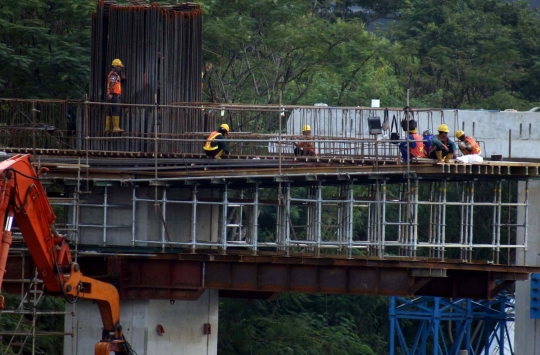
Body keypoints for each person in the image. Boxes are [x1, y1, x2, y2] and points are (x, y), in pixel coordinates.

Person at [105, 59, 126, 133]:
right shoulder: (114, 74)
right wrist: (110, 93)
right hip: (114, 95)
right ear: (115, 66)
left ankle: (107, 128)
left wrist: (121, 79)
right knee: (115, 110)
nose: (120, 68)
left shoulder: (114, 74)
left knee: (110, 111)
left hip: (113, 94)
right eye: (119, 67)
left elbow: (115, 83)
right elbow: (111, 83)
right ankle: (115, 127)